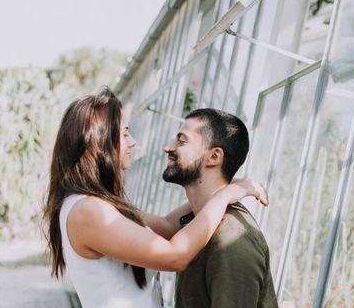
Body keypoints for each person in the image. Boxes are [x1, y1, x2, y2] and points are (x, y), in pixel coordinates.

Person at [43, 87, 268, 308]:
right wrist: (225, 195)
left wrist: (225, 189)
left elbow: (168, 226)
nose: (132, 142)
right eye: (124, 133)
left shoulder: (95, 205)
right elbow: (174, 256)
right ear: (98, 141)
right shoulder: (88, 211)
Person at [162, 108, 278, 308]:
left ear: (214, 157)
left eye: (181, 140)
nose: (168, 147)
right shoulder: (197, 218)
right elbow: (157, 225)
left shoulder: (232, 241)